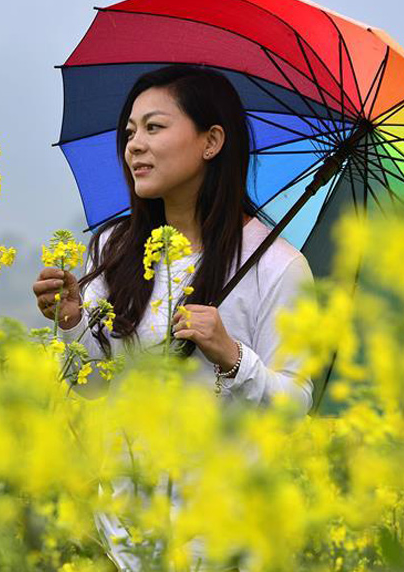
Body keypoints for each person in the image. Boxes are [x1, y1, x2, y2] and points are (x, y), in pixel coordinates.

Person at [32, 64, 315, 570]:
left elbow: (294, 404)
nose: (134, 146)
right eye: (129, 132)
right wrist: (74, 325)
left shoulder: (277, 266)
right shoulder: (113, 248)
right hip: (123, 538)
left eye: (154, 128)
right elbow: (91, 387)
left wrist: (232, 358)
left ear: (211, 141)